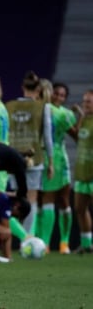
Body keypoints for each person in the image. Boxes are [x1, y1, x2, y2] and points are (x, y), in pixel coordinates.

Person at [5, 71, 54, 236]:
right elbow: (47, 135)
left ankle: (20, 236)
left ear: (22, 87)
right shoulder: (43, 107)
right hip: (35, 157)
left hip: (13, 157)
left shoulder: (9, 106)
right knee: (31, 199)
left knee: (17, 198)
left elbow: (5, 133)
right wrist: (51, 161)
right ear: (39, 88)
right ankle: (29, 238)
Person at [38, 81, 80, 253]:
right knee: (43, 199)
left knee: (62, 199)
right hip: (44, 156)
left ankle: (63, 242)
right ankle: (44, 242)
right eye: (56, 93)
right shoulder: (43, 108)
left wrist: (79, 117)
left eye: (62, 95)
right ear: (49, 92)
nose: (58, 97)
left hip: (59, 158)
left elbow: (76, 135)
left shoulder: (64, 114)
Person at [73, 89, 93, 254]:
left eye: (89, 102)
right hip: (82, 172)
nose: (85, 104)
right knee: (80, 208)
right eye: (84, 101)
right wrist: (81, 115)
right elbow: (79, 137)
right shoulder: (85, 119)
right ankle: (86, 244)